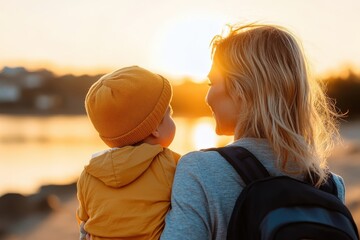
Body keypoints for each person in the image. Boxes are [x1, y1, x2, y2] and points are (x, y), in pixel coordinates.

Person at [160, 23, 345, 240]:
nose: (207, 97)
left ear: (242, 88)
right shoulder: (329, 186)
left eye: (212, 83)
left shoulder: (199, 170)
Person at [77, 66, 180, 240]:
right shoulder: (170, 163)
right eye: (169, 114)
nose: (172, 118)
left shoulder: (88, 174)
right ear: (154, 127)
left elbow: (84, 222)